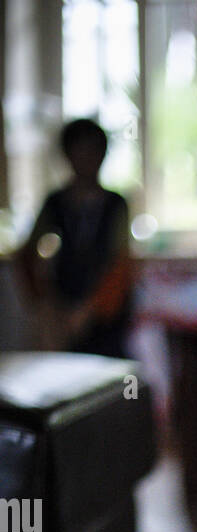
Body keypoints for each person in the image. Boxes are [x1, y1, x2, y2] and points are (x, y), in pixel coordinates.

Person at [18, 118, 132, 357]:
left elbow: (120, 263)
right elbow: (27, 255)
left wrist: (88, 310)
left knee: (110, 381)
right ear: (67, 155)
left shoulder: (115, 204)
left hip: (106, 318)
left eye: (94, 151)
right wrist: (45, 305)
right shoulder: (56, 203)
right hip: (63, 313)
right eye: (79, 150)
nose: (87, 159)